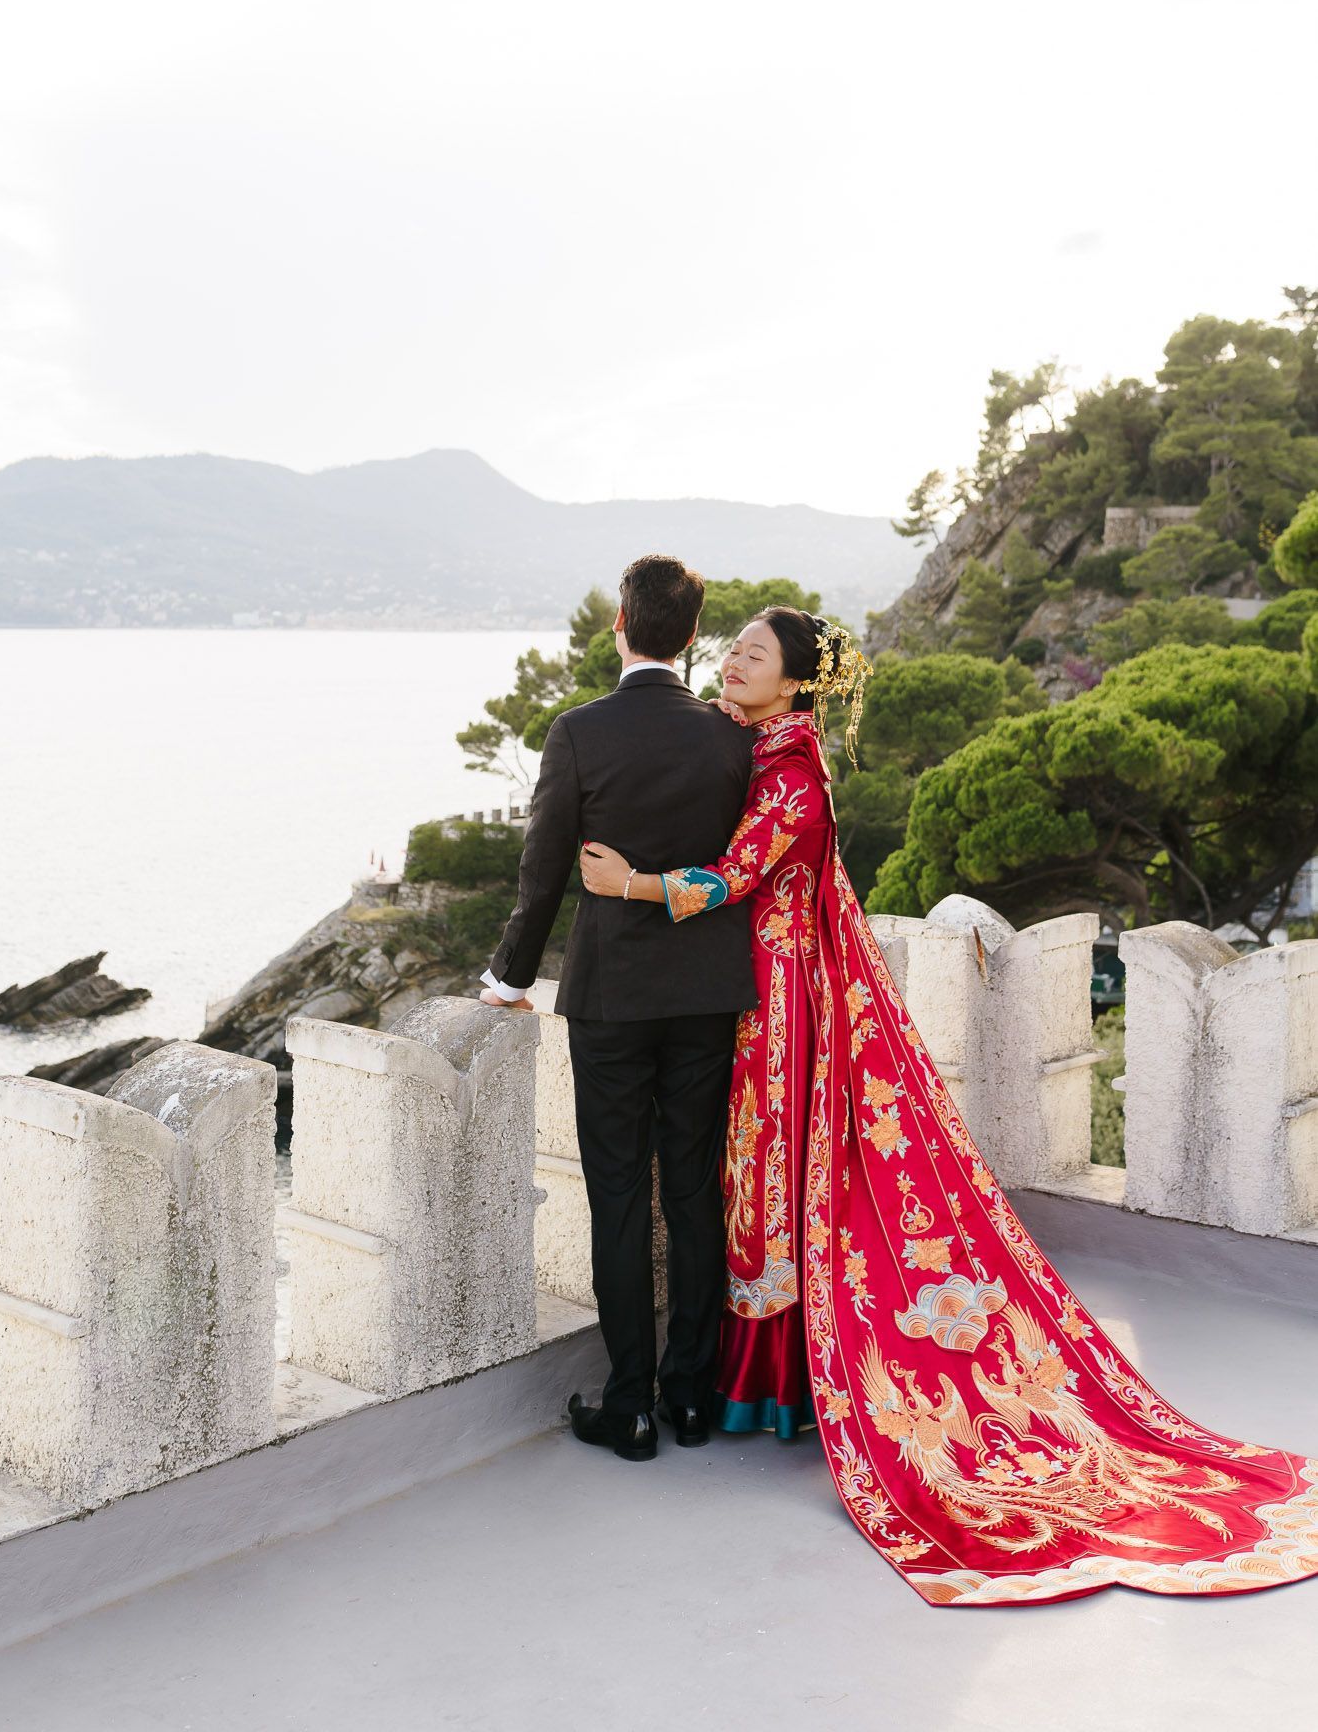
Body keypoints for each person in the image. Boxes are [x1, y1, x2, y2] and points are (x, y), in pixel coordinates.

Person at [580, 606, 1318, 1606]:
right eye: (733, 646)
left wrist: (630, 885)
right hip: (758, 992)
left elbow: (733, 877)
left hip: (784, 999)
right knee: (754, 1182)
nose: (733, 660)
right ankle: (750, 1383)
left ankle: (772, 1386)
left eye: (754, 653)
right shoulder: (761, 750)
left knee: (770, 1179)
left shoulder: (794, 773)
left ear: (797, 685)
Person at [479, 555, 757, 1463]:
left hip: (611, 1000)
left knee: (618, 1196)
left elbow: (543, 871)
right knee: (692, 1187)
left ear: (619, 624)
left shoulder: (578, 732)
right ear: (692, 636)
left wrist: (507, 981)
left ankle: (629, 1402)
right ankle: (691, 1396)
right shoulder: (730, 736)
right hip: (710, 993)